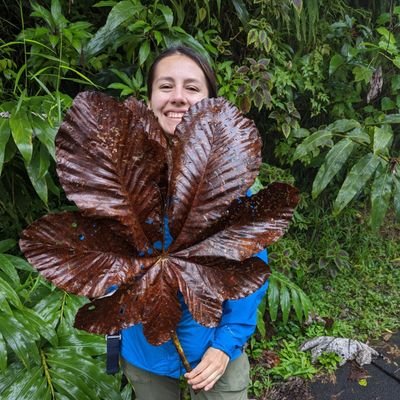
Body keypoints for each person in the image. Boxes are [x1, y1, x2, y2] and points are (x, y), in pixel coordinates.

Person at [120, 45, 269, 400]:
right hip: (146, 351)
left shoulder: (231, 173)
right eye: (166, 86)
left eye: (191, 87)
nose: (178, 98)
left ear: (208, 99)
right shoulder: (122, 170)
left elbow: (252, 265)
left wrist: (227, 342)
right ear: (151, 96)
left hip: (215, 345)